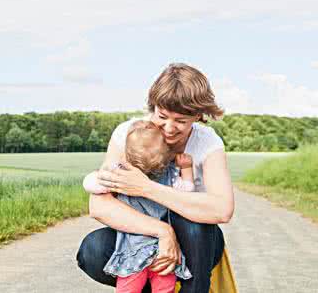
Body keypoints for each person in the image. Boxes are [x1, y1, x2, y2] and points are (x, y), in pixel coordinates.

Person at [76, 63, 235, 293]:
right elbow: (100, 206)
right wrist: (162, 231)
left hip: (196, 246)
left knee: (193, 225)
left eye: (180, 121)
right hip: (142, 240)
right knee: (93, 249)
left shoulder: (207, 143)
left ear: (198, 116)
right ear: (153, 107)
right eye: (162, 116)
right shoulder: (130, 134)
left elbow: (222, 209)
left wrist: (146, 188)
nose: (169, 128)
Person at [84, 120, 194, 293]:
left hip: (132, 253)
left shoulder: (120, 177)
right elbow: (187, 192)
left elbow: (92, 186)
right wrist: (186, 168)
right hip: (163, 253)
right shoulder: (170, 178)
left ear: (127, 156)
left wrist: (100, 175)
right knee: (165, 289)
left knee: (128, 290)